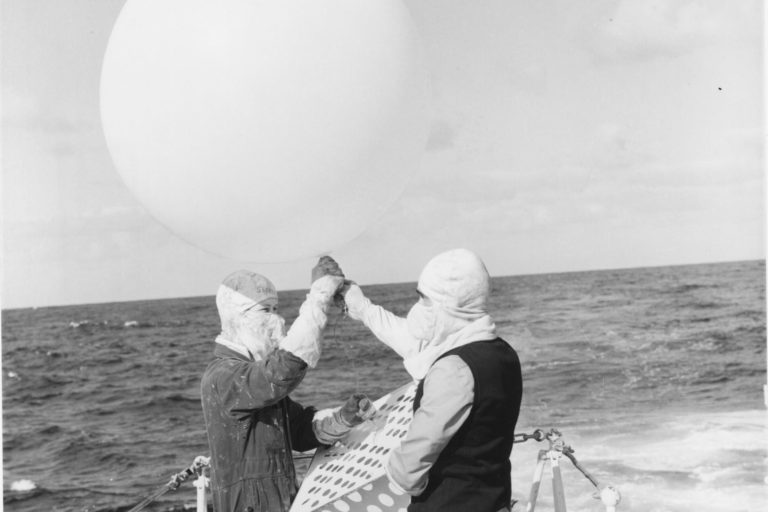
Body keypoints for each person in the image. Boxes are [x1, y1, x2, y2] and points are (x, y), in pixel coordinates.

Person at [341, 248, 523, 512]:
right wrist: (361, 307)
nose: (418, 307)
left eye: (424, 298)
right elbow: (415, 343)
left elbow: (408, 470)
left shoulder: (452, 369)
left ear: (448, 304)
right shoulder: (503, 354)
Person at [201, 257, 374, 512]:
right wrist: (319, 297)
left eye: (276, 308)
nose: (278, 319)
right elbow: (281, 371)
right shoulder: (223, 376)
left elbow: (299, 430)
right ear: (237, 317)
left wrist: (343, 418)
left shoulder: (251, 376)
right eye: (265, 310)